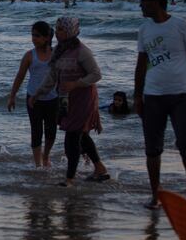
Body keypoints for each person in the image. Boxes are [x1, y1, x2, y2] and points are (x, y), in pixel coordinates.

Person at [134, 0, 186, 209]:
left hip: (181, 95)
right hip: (153, 96)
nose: (140, 5)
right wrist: (137, 96)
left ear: (156, 2)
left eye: (144, 1)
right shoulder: (144, 30)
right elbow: (141, 64)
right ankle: (155, 195)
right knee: (152, 148)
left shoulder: (182, 26)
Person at [34, 17, 109, 187]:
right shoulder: (58, 51)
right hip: (66, 100)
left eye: (61, 29)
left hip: (84, 99)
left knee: (72, 138)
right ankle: (100, 168)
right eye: (57, 28)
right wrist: (37, 94)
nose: (57, 32)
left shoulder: (82, 51)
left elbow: (96, 74)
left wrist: (76, 83)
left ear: (70, 31)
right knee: (80, 136)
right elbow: (52, 76)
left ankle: (69, 179)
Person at [7, 21, 59, 168]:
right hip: (33, 99)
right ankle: (38, 164)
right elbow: (20, 76)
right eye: (32, 35)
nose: (33, 38)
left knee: (51, 132)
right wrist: (12, 96)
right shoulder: (30, 55)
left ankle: (46, 155)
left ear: (46, 37)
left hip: (53, 98)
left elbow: (64, 74)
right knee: (36, 131)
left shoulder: (56, 54)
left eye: (37, 36)